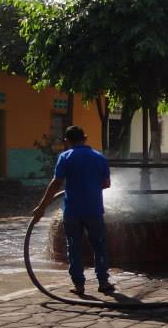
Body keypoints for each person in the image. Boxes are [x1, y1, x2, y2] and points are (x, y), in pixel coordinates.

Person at [33, 126, 114, 296]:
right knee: (99, 246)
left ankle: (79, 285)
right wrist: (90, 187)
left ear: (66, 141)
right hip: (94, 210)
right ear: (85, 138)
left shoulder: (65, 157)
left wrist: (41, 208)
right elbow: (107, 184)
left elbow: (56, 183)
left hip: (73, 211)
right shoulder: (99, 157)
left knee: (74, 247)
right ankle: (104, 282)